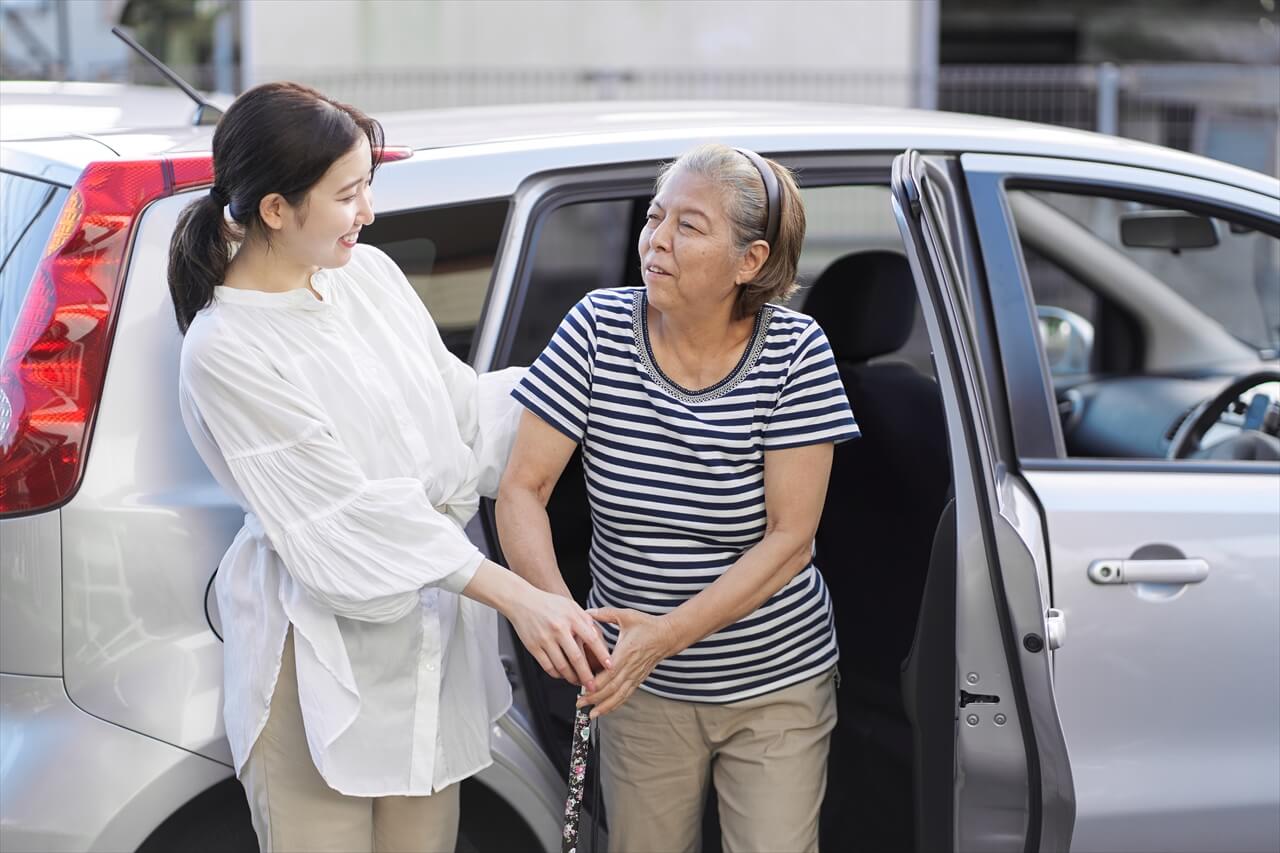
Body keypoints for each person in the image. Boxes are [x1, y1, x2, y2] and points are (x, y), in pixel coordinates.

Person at [169, 81, 610, 853]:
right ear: (277, 209)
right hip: (316, 667)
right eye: (348, 194)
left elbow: (463, 417)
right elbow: (347, 514)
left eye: (367, 187)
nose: (368, 212)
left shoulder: (366, 278)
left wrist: (596, 378)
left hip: (428, 653)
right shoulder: (225, 348)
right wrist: (521, 598)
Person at [497, 143, 860, 852]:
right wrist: (558, 614)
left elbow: (791, 540)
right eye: (655, 217)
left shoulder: (796, 351)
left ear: (749, 261)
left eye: (688, 226)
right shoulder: (597, 328)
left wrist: (662, 637)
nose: (656, 241)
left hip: (774, 678)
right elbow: (522, 488)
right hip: (637, 688)